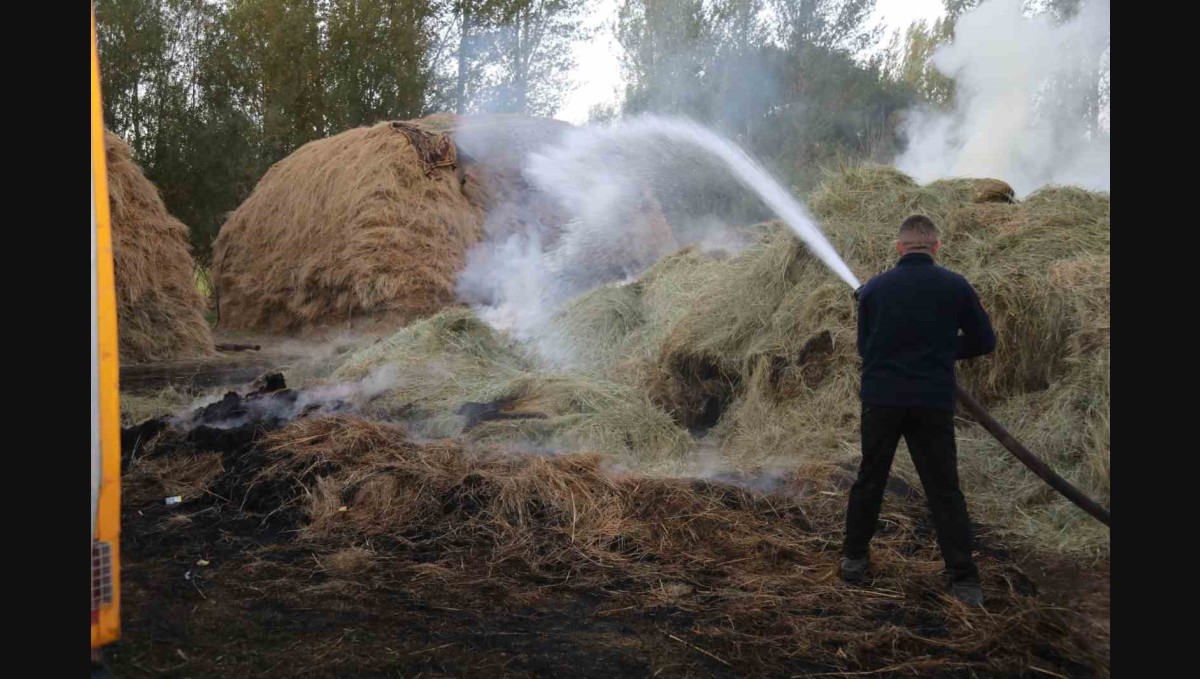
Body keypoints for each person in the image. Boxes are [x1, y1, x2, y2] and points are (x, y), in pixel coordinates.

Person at [842, 214, 996, 606]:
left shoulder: (874, 290)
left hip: (882, 401)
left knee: (870, 479)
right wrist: (942, 349)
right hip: (932, 402)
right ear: (936, 247)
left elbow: (865, 349)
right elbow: (984, 341)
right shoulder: (956, 286)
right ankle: (965, 581)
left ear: (899, 247)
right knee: (944, 489)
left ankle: (853, 560)